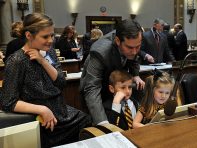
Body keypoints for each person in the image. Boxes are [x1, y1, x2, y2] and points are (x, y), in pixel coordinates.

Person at [0, 13, 92, 148]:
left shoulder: (50, 52)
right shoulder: (16, 60)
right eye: (45, 36)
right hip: (40, 119)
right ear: (29, 35)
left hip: (62, 113)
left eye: (52, 35)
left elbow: (61, 82)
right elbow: (8, 102)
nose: (50, 40)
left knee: (86, 121)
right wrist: (42, 109)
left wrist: (42, 61)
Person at [80, 19, 145, 125]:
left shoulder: (135, 41)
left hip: (117, 88)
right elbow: (92, 88)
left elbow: (134, 58)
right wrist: (103, 123)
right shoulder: (100, 52)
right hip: (98, 95)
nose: (134, 51)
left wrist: (136, 75)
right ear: (118, 41)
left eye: (137, 47)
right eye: (130, 48)